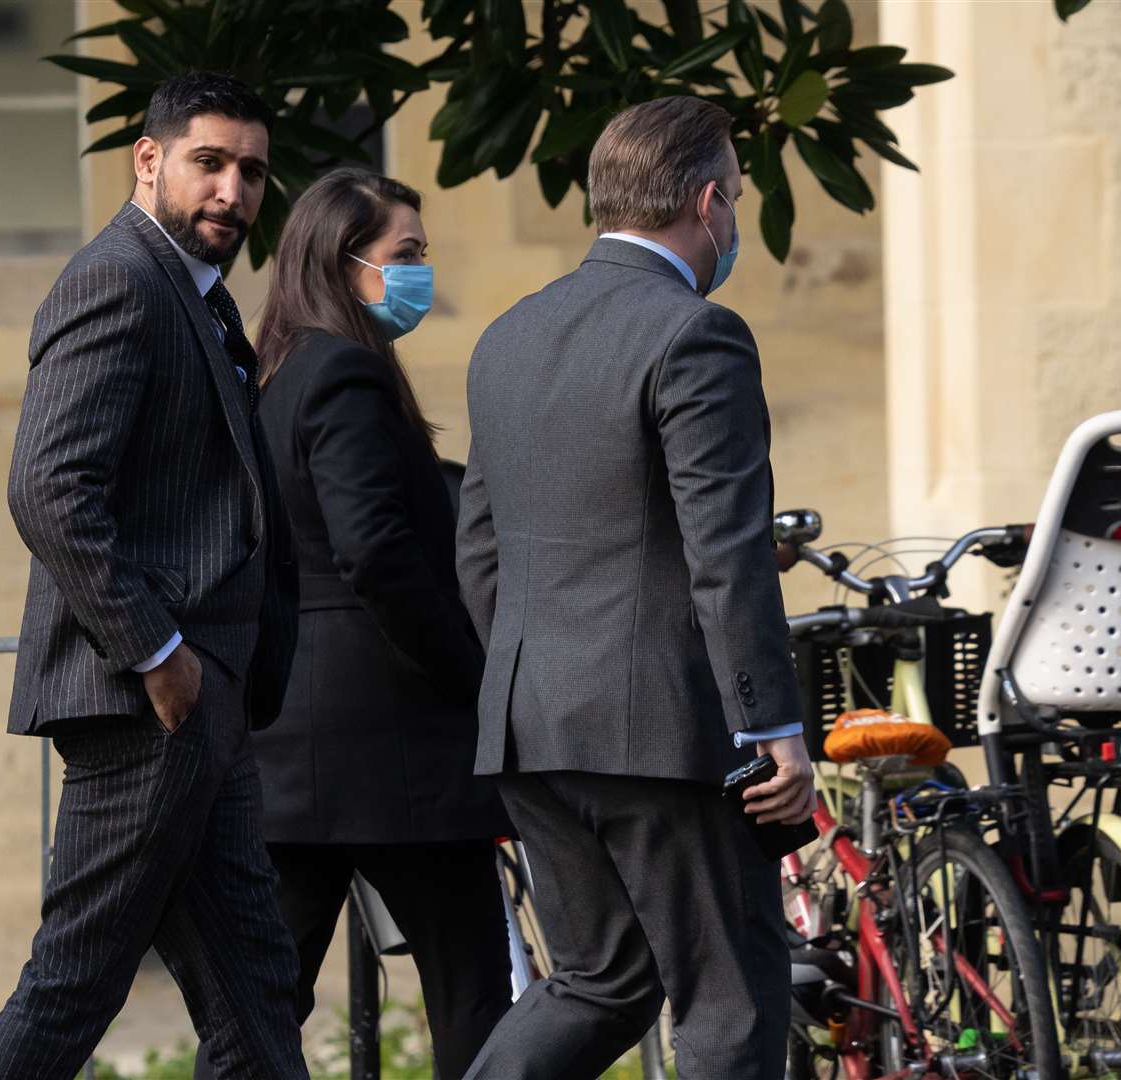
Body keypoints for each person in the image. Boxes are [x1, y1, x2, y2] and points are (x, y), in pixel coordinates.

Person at [455, 96, 818, 1079]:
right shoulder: (697, 334)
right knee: (731, 1005)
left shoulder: (506, 339)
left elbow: (478, 550)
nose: (734, 220)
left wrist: (542, 682)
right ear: (706, 203)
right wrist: (771, 729)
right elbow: (727, 553)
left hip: (532, 728)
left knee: (596, 981)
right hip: (662, 735)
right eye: (735, 198)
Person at [0, 72, 306, 1080]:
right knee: (75, 982)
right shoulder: (117, 277)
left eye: (250, 172)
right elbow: (48, 489)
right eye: (209, 162)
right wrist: (158, 655)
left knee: (257, 984)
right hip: (149, 700)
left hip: (201, 703)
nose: (233, 191)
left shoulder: (195, 296)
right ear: (148, 160)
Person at [192, 167, 515, 1080]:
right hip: (393, 740)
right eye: (404, 254)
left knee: (263, 1006)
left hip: (293, 742)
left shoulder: (277, 371)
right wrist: (470, 675)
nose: (419, 272)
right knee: (471, 990)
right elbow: (376, 554)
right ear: (344, 262)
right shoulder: (345, 375)